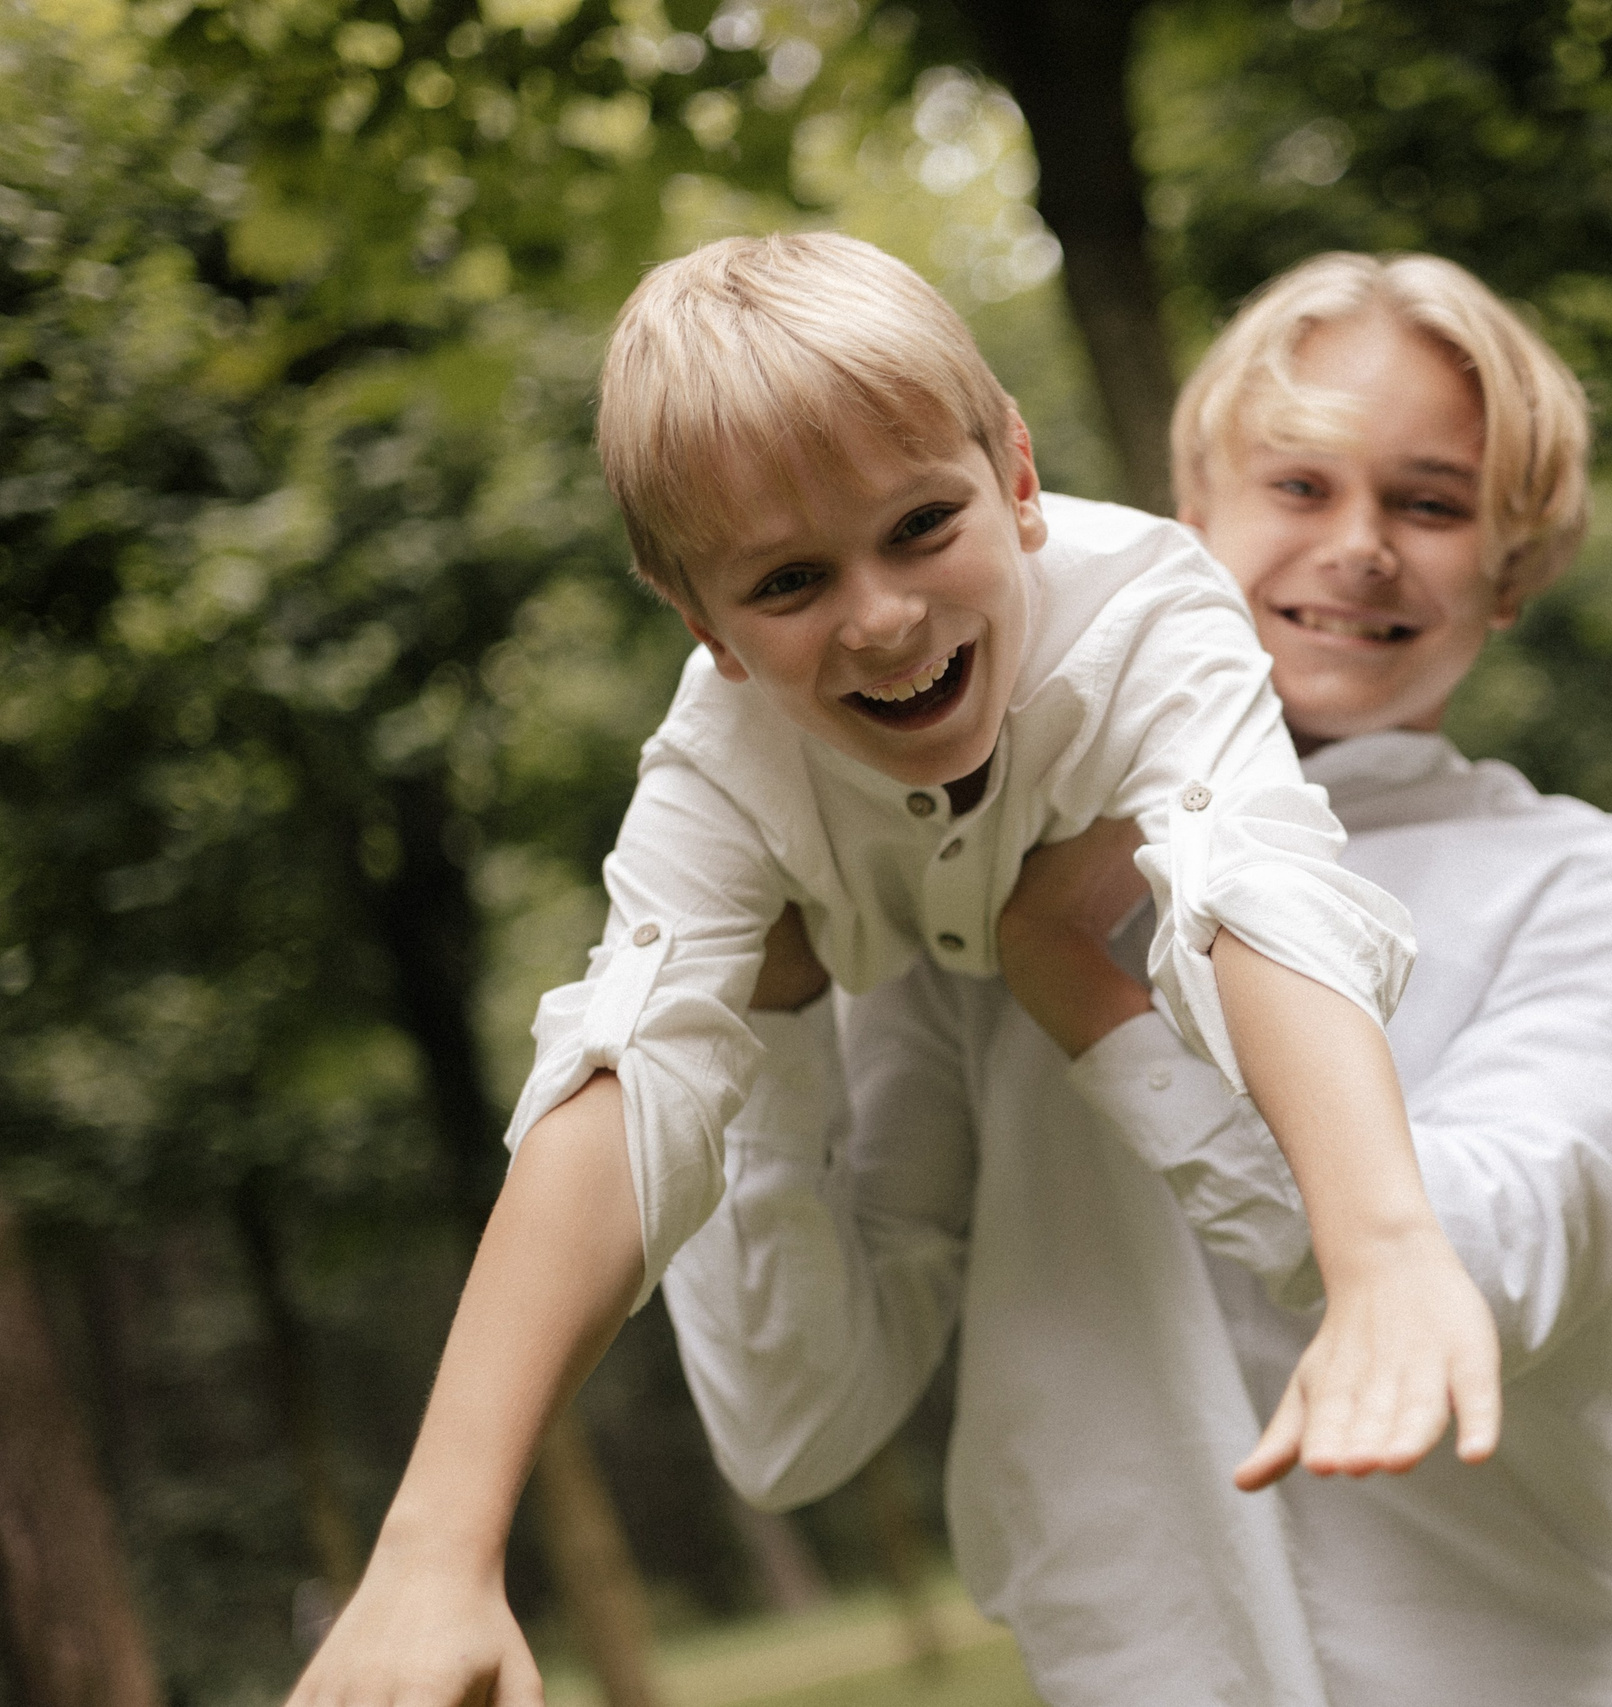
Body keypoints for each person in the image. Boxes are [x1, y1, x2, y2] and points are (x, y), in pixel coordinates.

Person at [286, 234, 1501, 1707]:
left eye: (923, 526)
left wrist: (1380, 1248)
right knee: (787, 1418)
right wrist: (436, 1543)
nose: (878, 615)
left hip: (1074, 1012)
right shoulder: (718, 764)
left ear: (1020, 477)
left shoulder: (1148, 613)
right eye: (790, 580)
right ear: (700, 624)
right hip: (876, 998)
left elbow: (1256, 888)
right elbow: (623, 1075)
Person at [671, 252, 1612, 1704]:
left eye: (1430, 503)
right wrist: (781, 1007)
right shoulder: (956, 893)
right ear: (1188, 518)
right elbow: (792, 1424)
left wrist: (1099, 1008)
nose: (1361, 546)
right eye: (1301, 488)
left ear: (1514, 570)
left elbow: (1469, 1278)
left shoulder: (1593, 887)